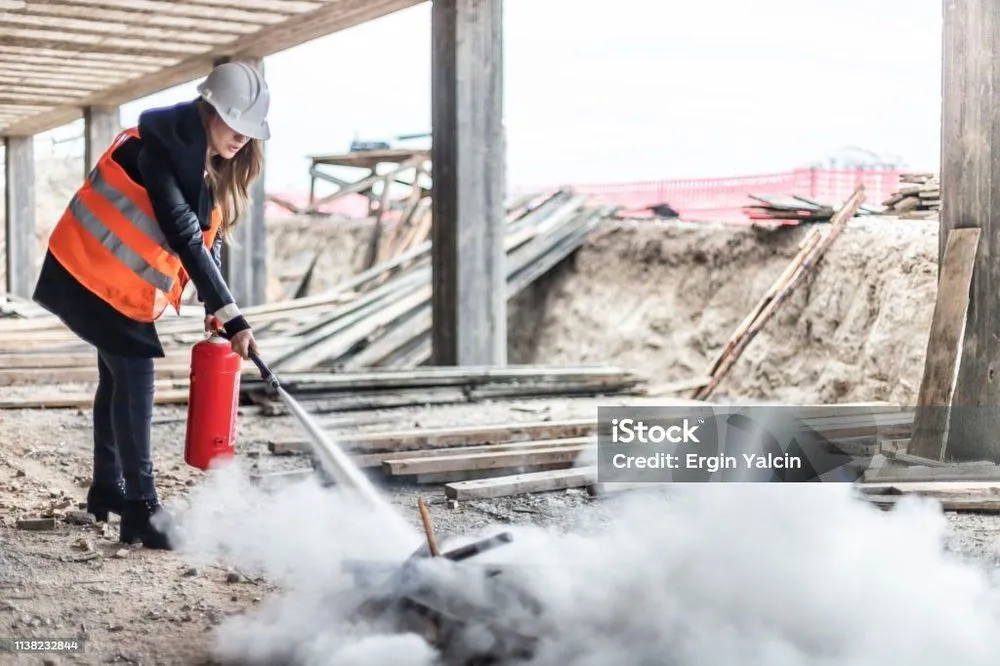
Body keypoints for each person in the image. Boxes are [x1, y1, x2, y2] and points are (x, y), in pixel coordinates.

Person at [32, 62, 271, 550]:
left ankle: (107, 488)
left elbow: (210, 234)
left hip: (101, 277)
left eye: (250, 132)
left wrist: (213, 303)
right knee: (136, 376)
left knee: (115, 379)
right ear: (210, 110)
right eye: (235, 125)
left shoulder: (195, 152)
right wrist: (232, 315)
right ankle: (141, 510)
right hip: (92, 276)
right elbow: (184, 234)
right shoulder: (160, 151)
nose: (241, 139)